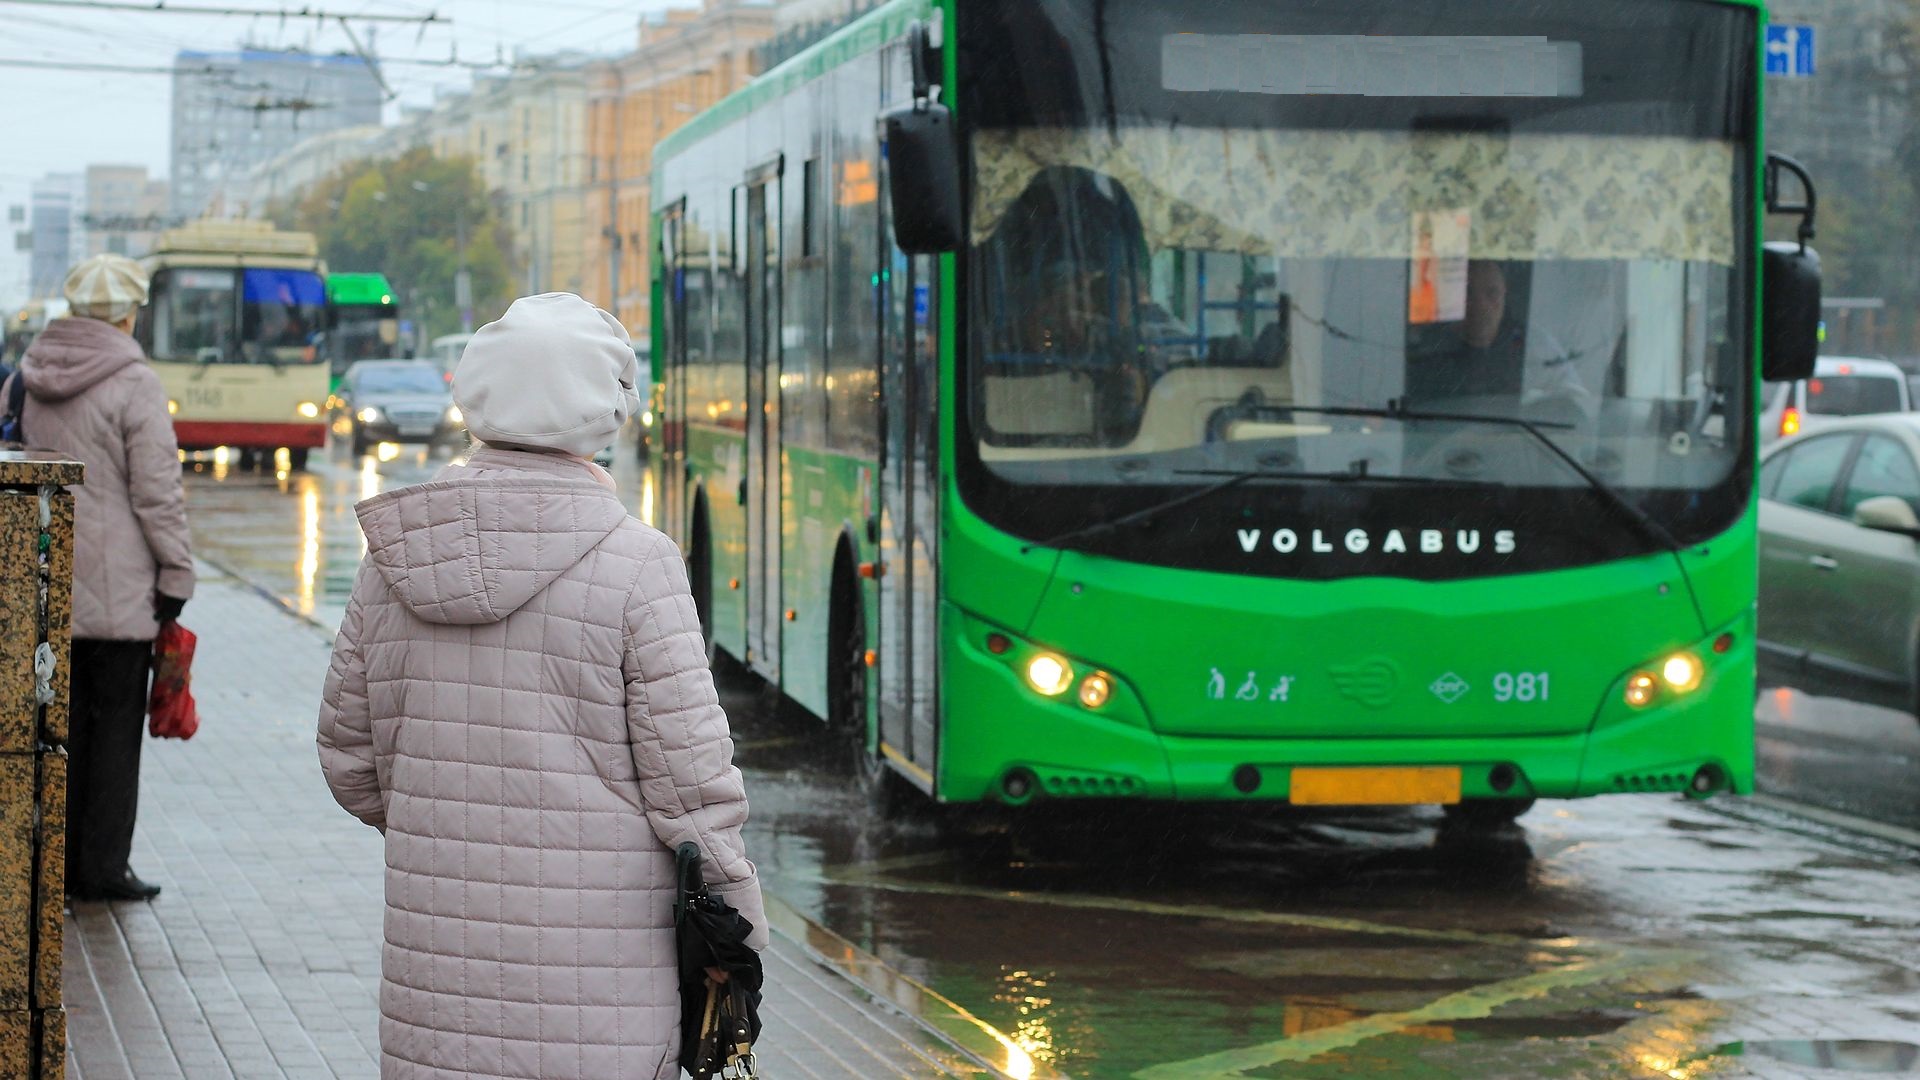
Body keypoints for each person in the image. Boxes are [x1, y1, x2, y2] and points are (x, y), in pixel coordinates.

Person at [317, 292, 766, 1080]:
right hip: (603, 999)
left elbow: (351, 762)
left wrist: (451, 832)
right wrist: (738, 932)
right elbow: (692, 792)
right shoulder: (639, 564)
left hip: (436, 997)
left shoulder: (396, 558)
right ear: (606, 411)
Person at [15, 254, 193, 902]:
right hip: (118, 595)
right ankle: (102, 867)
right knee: (113, 734)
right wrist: (177, 570)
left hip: (41, 582)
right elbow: (157, 493)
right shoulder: (134, 381)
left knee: (55, 730)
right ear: (128, 312)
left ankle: (51, 862)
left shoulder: (30, 374)